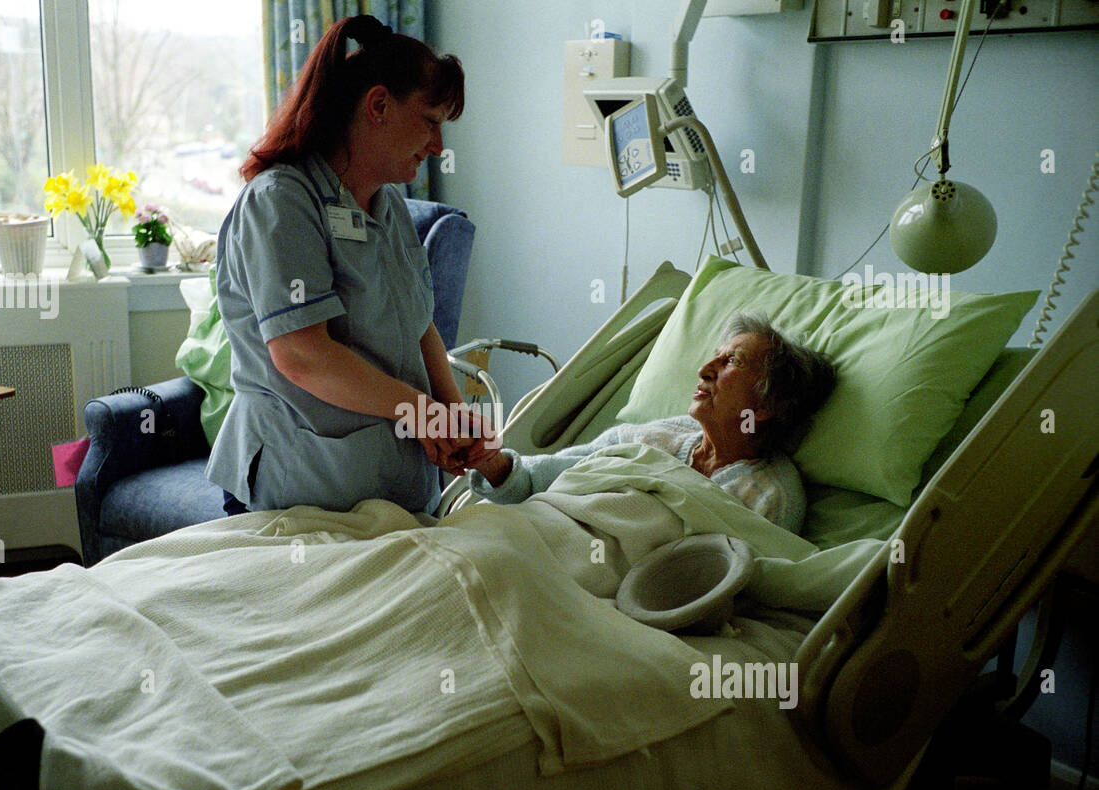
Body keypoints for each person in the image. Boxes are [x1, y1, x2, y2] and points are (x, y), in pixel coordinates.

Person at [206, 15, 488, 517]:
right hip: (302, 494)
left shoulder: (390, 206)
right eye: (429, 121)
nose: (438, 147)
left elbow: (420, 326)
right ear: (378, 105)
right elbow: (301, 353)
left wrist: (455, 419)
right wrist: (422, 414)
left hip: (397, 494)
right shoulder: (280, 203)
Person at [465, 315, 836, 533]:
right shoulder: (656, 438)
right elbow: (546, 477)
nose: (705, 370)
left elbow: (748, 579)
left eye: (731, 362)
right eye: (714, 358)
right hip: (547, 533)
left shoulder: (771, 495)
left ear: (769, 403)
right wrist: (491, 463)